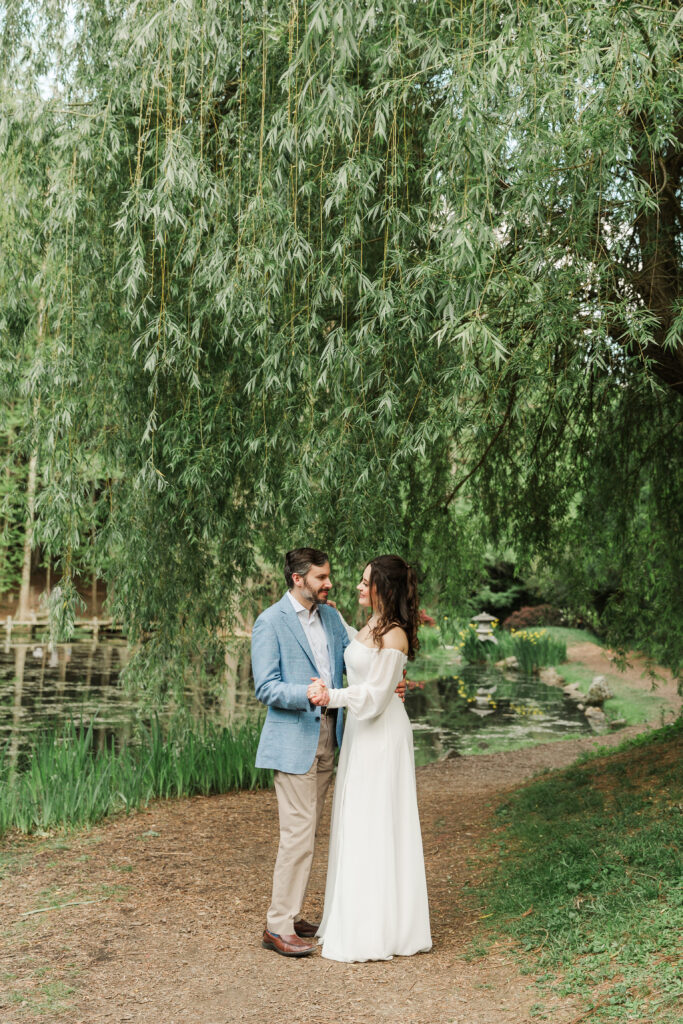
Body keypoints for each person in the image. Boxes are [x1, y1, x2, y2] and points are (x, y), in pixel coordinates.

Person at [252, 547, 405, 958]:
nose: (329, 583)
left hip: (332, 738)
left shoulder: (332, 617)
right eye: (321, 578)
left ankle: (293, 914)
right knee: (297, 836)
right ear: (298, 579)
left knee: (312, 831)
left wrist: (390, 684)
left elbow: (360, 662)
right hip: (294, 740)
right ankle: (277, 926)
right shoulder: (270, 622)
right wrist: (306, 693)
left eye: (329, 576)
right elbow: (265, 687)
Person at [307, 554, 432, 962]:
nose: (359, 586)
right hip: (361, 736)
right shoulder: (371, 625)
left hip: (380, 734)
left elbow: (376, 699)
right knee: (357, 819)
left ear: (385, 588)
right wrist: (336, 616)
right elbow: (359, 653)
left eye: (366, 582)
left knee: (376, 820)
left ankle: (379, 927)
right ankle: (356, 916)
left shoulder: (394, 634)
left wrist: (332, 696)